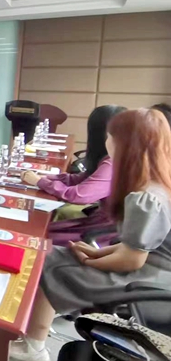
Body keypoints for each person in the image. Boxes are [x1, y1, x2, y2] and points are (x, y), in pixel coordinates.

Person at [10, 109, 171, 361]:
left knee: (50, 264)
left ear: (126, 144)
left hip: (144, 279)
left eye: (112, 136)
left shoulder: (147, 197)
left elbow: (133, 260)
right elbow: (132, 246)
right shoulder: (152, 182)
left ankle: (33, 346)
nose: (108, 140)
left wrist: (90, 261)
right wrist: (96, 253)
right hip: (141, 266)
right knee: (49, 256)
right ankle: (33, 340)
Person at [20, 105, 126, 244]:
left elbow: (79, 195)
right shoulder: (113, 157)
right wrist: (44, 177)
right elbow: (81, 179)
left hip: (105, 231)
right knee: (40, 227)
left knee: (36, 234)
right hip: (101, 221)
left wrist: (40, 182)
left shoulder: (113, 163)